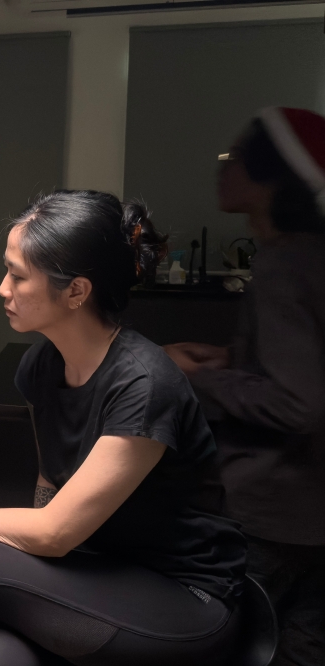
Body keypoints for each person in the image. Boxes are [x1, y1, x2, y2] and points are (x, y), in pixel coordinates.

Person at [0, 190, 247, 666]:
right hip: (98, 574)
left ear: (77, 292)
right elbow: (50, 487)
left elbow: (55, 531)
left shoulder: (144, 384)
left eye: (18, 276)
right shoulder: (42, 366)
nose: (3, 288)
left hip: (182, 599)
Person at [165, 107, 325, 666]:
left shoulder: (284, 266)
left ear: (270, 177)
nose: (221, 169)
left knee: (229, 641)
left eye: (232, 159)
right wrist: (236, 357)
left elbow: (299, 402)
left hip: (275, 505)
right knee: (303, 646)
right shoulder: (310, 255)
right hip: (311, 514)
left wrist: (202, 378)